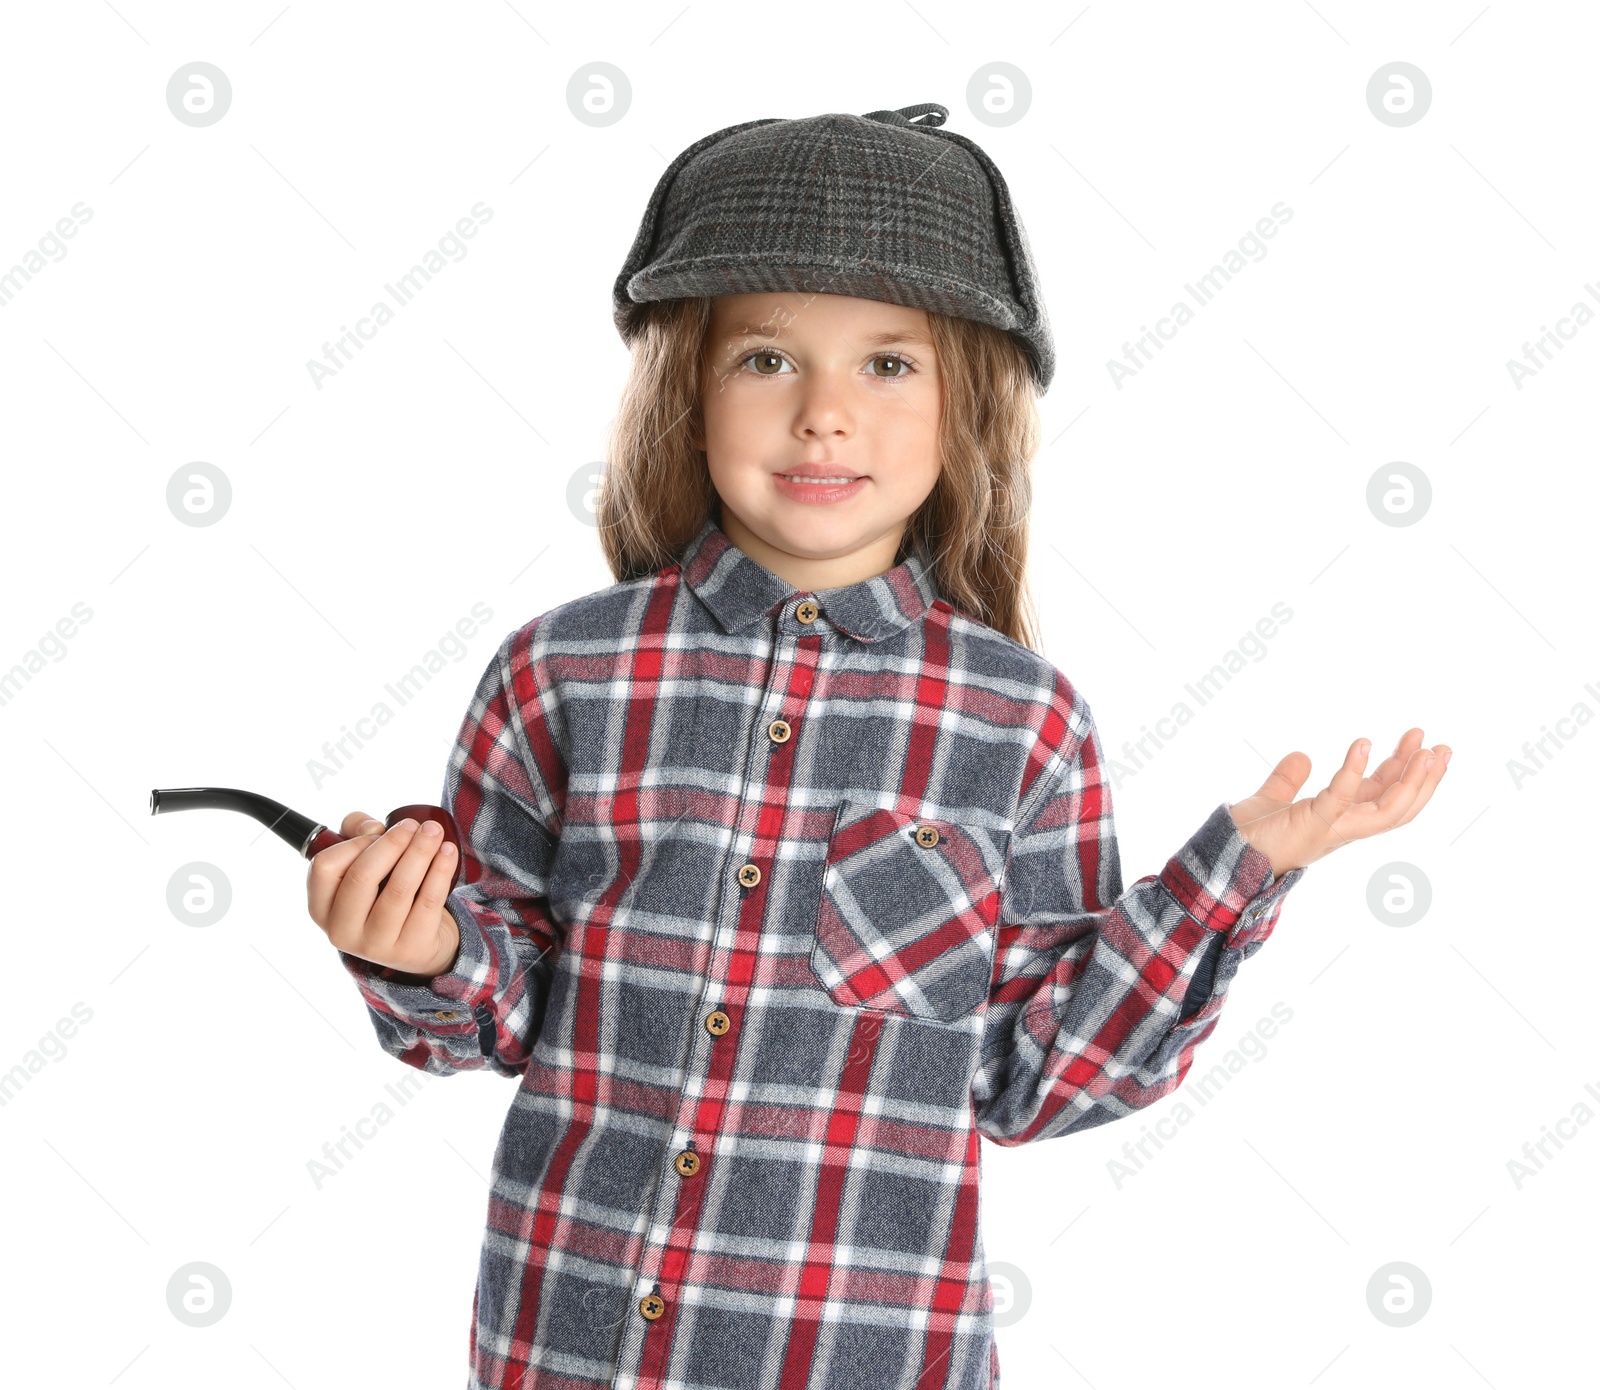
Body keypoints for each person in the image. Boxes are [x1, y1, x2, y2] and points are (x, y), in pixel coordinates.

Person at [305, 102, 1449, 1390]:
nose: (825, 416)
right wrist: (420, 945)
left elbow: (1035, 1076)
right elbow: (494, 1009)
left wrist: (1239, 868)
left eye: (889, 364)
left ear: (967, 408)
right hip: (563, 1340)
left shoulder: (1023, 721)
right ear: (687, 387)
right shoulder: (559, 671)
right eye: (766, 359)